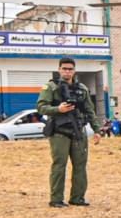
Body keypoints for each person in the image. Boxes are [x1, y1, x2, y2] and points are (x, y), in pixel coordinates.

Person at [37, 57, 101, 207]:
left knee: (80, 166)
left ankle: (77, 198)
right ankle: (56, 199)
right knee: (59, 165)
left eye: (70, 69)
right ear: (59, 69)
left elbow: (90, 110)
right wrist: (58, 109)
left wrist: (97, 130)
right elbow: (41, 107)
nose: (67, 72)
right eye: (64, 69)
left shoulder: (82, 88)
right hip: (59, 131)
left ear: (75, 70)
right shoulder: (51, 87)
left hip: (79, 130)